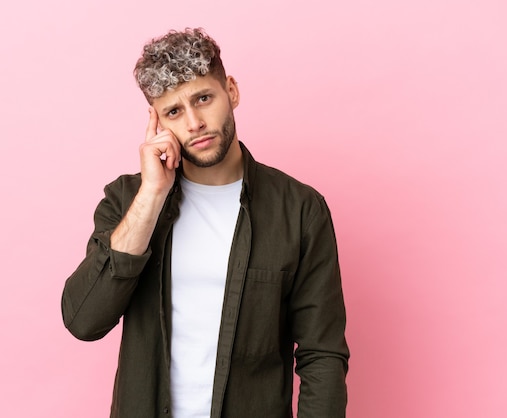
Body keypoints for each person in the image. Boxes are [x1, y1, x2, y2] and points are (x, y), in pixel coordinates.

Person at [61, 28, 349, 418]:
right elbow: (84, 320)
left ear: (231, 91)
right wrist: (151, 196)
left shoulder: (299, 209)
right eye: (174, 112)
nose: (194, 123)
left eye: (203, 98)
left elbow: (322, 353)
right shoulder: (128, 201)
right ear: (156, 121)